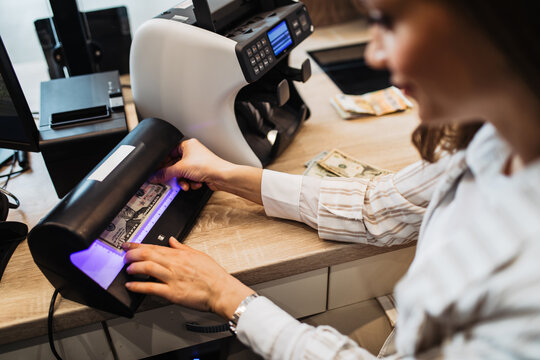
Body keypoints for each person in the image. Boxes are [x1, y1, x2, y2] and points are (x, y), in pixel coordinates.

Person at [122, 0, 540, 358]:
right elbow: (379, 207)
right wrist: (227, 174)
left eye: (387, 21)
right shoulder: (493, 138)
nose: (374, 54)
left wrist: (227, 297)